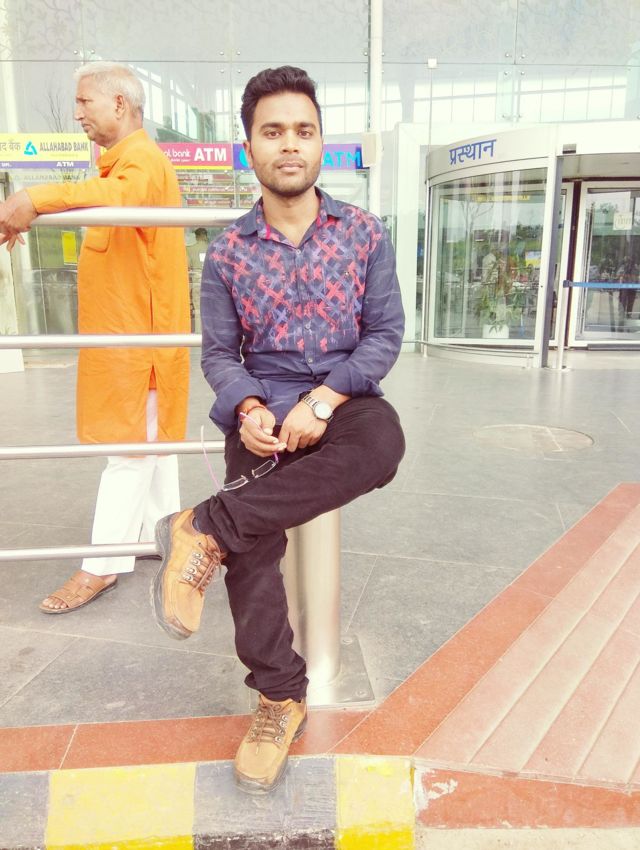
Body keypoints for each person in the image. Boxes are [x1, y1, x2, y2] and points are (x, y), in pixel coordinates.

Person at [150, 65, 406, 794]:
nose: (289, 144)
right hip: (261, 409)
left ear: (320, 142)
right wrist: (249, 408)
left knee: (383, 444)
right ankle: (278, 698)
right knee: (254, 550)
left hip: (344, 399)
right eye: (273, 132)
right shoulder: (228, 252)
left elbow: (385, 334)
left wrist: (323, 400)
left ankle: (206, 524)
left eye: (303, 130)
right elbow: (218, 354)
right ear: (249, 148)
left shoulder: (363, 233)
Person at [0, 62, 190, 613]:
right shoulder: (119, 165)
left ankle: (101, 565)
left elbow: (119, 193)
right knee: (154, 449)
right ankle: (165, 535)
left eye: (86, 101)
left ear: (120, 104)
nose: (77, 112)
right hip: (127, 345)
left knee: (131, 453)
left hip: (141, 349)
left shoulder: (141, 161)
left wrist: (34, 198)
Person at [186, 227, 209, 331]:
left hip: (197, 280)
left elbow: (187, 265)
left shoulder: (190, 249)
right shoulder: (212, 247)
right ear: (205, 236)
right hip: (212, 280)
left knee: (198, 309)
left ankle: (199, 333)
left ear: (196, 236)